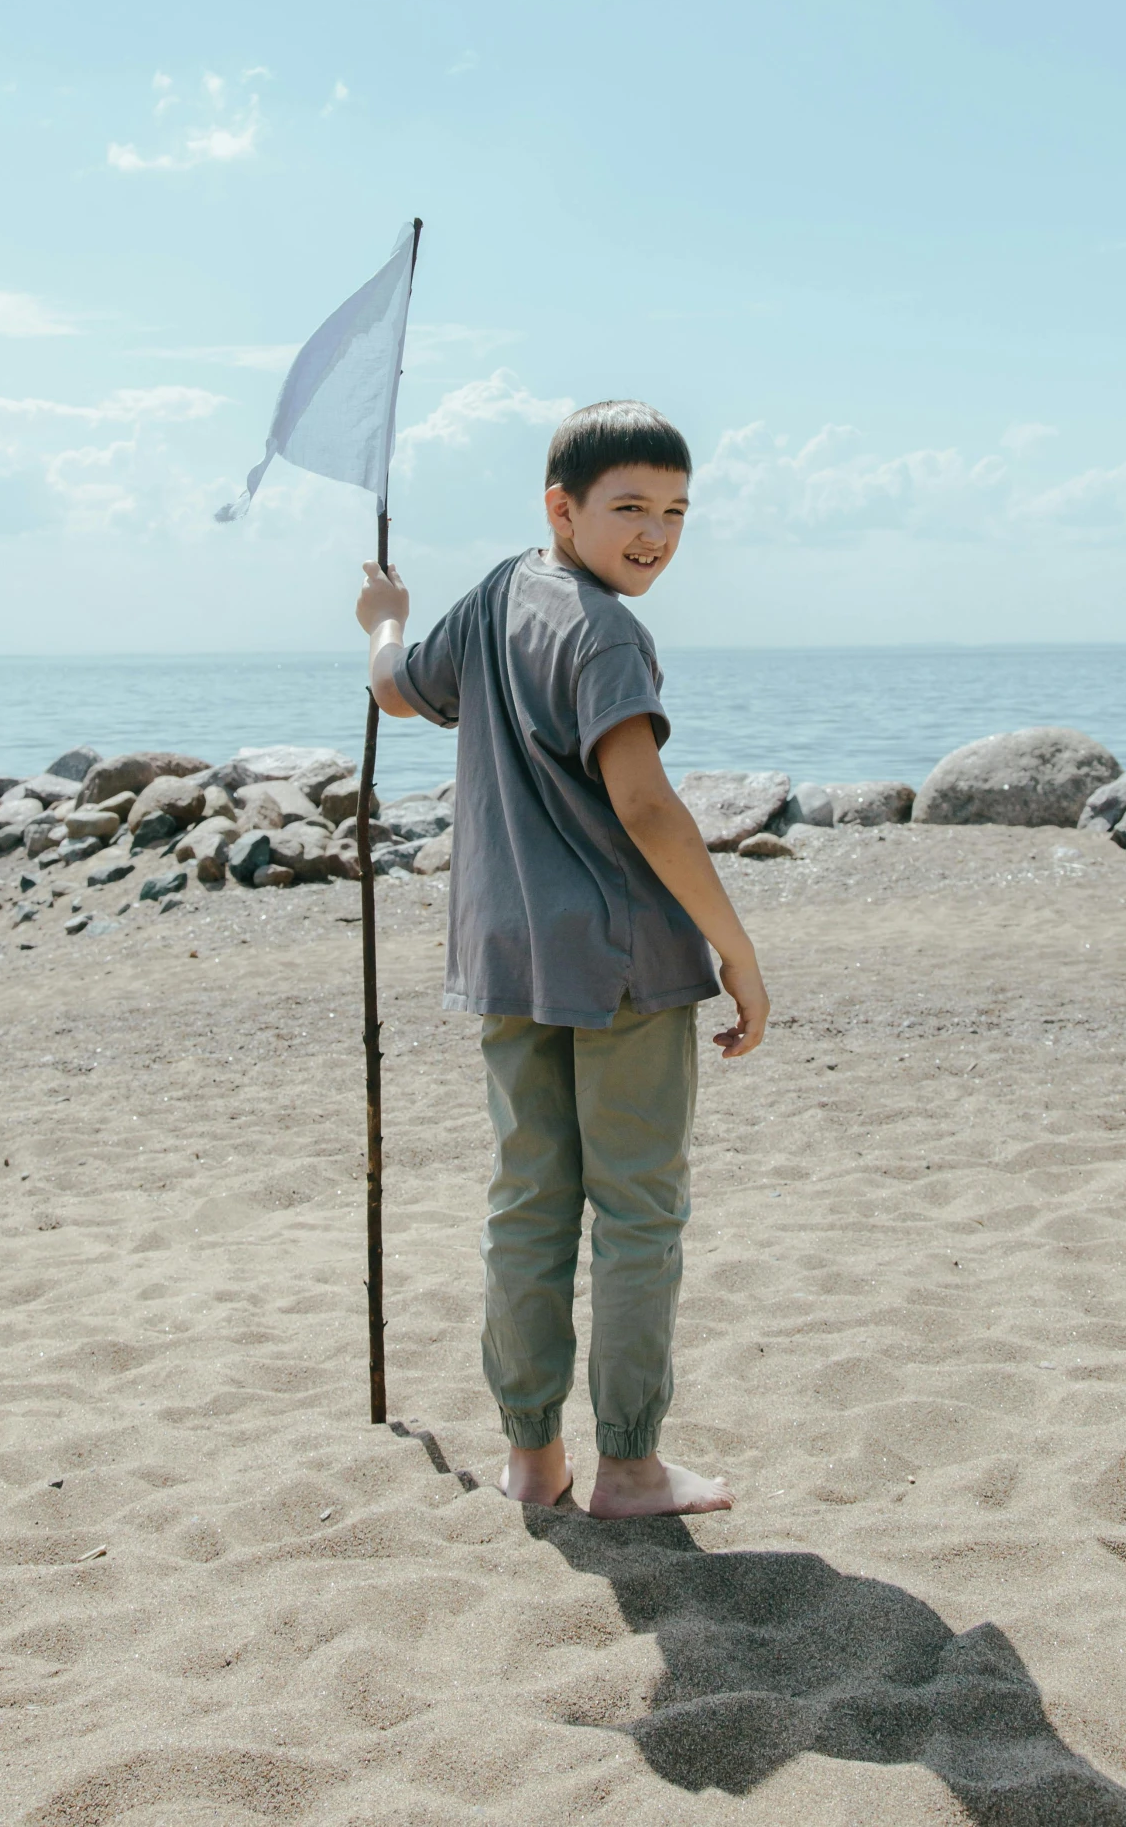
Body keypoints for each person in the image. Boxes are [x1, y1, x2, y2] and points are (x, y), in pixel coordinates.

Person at [355, 399, 769, 1517]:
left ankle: (532, 1459)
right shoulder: (605, 631)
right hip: (623, 964)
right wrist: (738, 951)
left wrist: (381, 620)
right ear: (563, 506)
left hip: (507, 955)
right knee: (635, 1213)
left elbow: (397, 690)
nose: (655, 535)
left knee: (528, 1204)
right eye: (629, 507)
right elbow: (644, 803)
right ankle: (627, 1464)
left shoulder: (496, 593)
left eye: (676, 512)